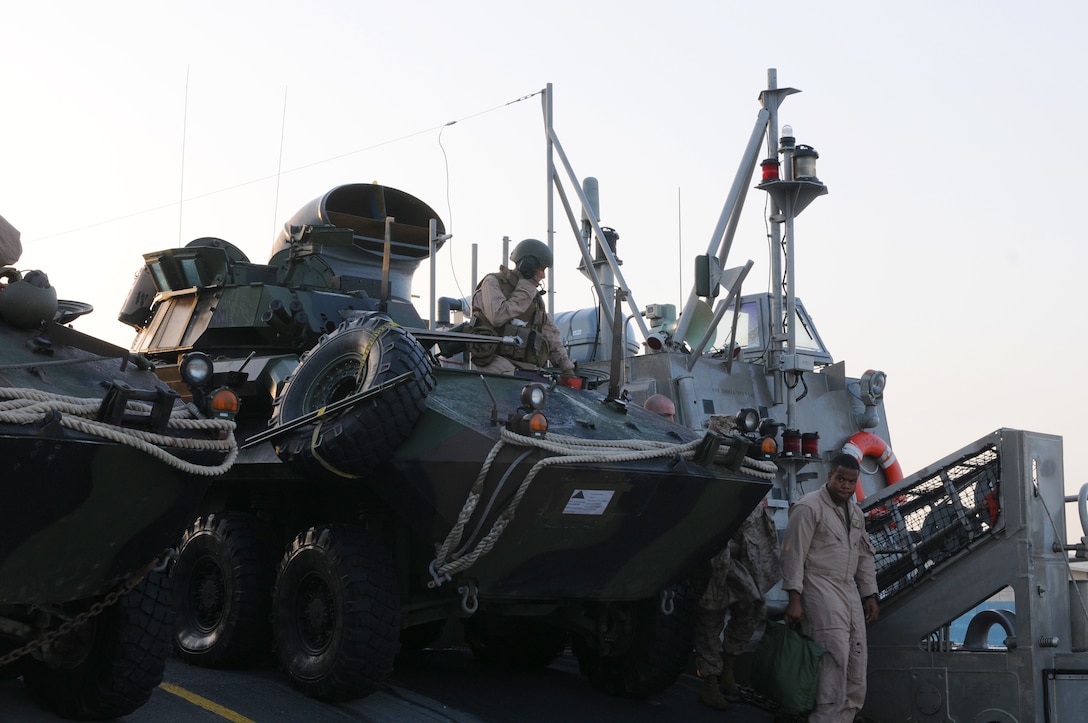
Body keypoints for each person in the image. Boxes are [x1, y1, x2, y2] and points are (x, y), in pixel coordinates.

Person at [781, 452, 880, 722]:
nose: (846, 486)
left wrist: (869, 593)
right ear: (830, 477)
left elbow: (863, 556)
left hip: (847, 589)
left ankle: (845, 718)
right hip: (818, 585)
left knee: (857, 656)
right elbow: (793, 554)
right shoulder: (809, 508)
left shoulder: (855, 513)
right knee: (833, 655)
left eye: (851, 481)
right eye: (841, 479)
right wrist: (794, 598)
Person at [693, 502, 780, 710]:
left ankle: (728, 668)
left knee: (752, 609)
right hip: (714, 548)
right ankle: (710, 679)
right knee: (711, 616)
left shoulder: (757, 482)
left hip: (747, 548)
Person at [468, 238, 575, 376]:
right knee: (512, 383)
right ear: (527, 266)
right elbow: (497, 316)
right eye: (541, 269)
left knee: (546, 386)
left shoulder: (533, 298)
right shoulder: (494, 282)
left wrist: (566, 367)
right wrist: (526, 288)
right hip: (493, 362)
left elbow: (550, 335)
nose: (543, 275)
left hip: (526, 366)